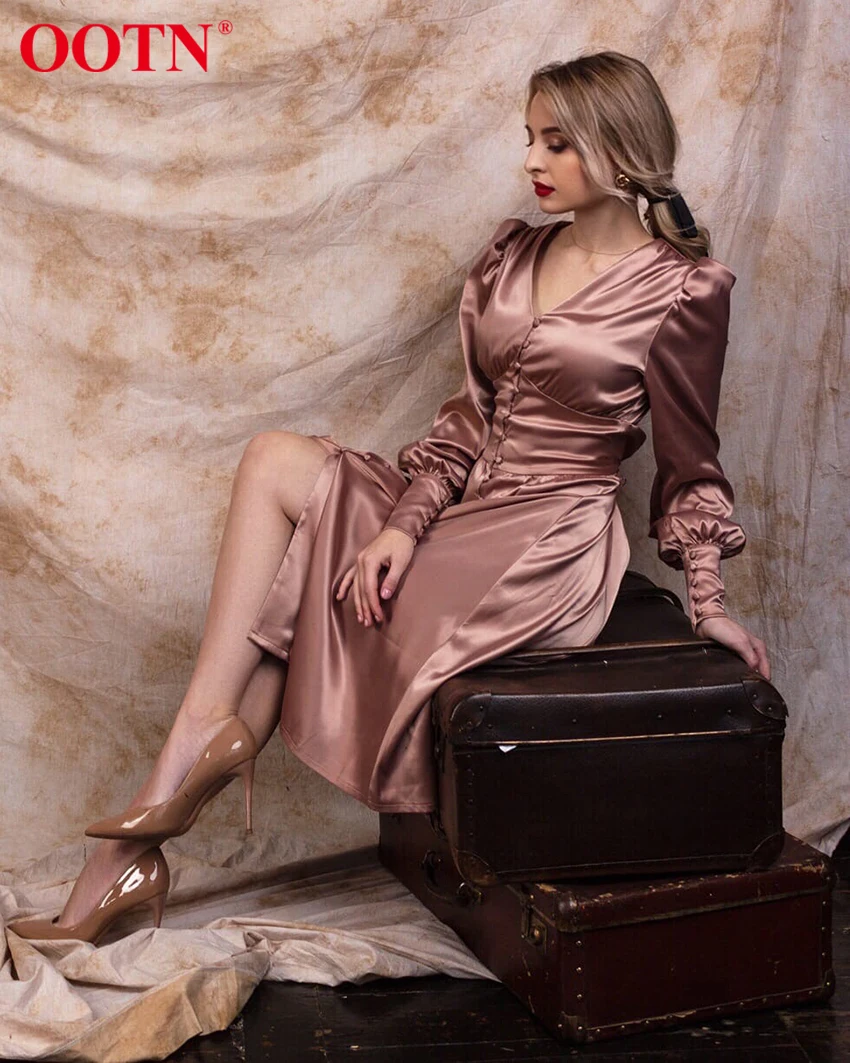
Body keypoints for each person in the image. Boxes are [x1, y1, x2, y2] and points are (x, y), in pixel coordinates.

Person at [9, 49, 770, 945]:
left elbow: (690, 462)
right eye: (529, 137)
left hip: (546, 545)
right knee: (274, 462)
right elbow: (467, 422)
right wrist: (404, 526)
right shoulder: (512, 254)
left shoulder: (684, 290)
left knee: (315, 578)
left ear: (621, 149)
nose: (531, 160)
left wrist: (709, 603)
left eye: (557, 143)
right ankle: (186, 760)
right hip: (461, 513)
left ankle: (135, 843)